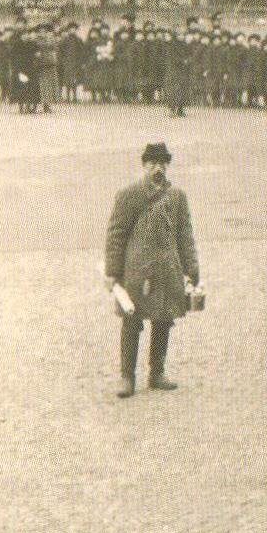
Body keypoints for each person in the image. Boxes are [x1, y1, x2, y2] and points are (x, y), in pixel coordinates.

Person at [103, 141, 200, 399]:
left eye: (162, 163)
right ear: (144, 165)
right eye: (152, 163)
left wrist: (191, 268)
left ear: (168, 166)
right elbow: (116, 234)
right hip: (136, 271)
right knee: (131, 321)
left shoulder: (177, 196)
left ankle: (157, 372)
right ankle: (127, 376)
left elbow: (185, 234)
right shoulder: (129, 194)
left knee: (164, 319)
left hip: (167, 270)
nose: (158, 168)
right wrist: (113, 271)